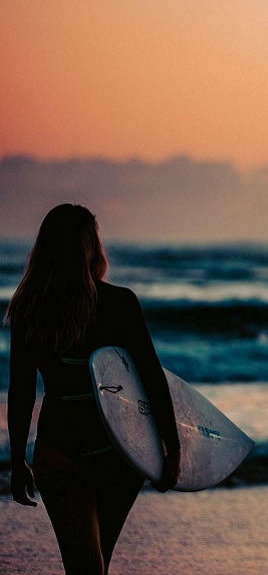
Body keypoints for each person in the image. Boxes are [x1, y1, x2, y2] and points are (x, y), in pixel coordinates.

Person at [5, 204, 180, 575]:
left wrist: (18, 456)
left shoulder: (29, 307)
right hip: (118, 450)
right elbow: (150, 377)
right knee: (91, 566)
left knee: (89, 566)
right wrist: (171, 445)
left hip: (60, 451)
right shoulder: (119, 302)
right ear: (91, 247)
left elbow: (22, 390)